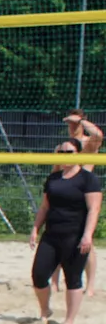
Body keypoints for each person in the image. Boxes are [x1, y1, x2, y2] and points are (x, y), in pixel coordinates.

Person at [30, 138, 101, 324]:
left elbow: (94, 210)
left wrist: (87, 235)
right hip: (52, 234)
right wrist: (35, 229)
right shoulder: (53, 178)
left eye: (69, 152)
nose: (64, 156)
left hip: (75, 236)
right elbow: (45, 207)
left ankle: (69, 321)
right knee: (38, 275)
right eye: (61, 152)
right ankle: (45, 311)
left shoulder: (88, 179)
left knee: (73, 278)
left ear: (78, 154)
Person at [60, 109, 102, 295]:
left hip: (85, 191)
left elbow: (98, 134)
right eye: (69, 124)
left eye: (73, 124)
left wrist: (81, 121)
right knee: (60, 236)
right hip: (69, 190)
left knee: (86, 240)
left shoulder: (87, 143)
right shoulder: (68, 145)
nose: (71, 127)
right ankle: (55, 282)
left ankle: (90, 285)